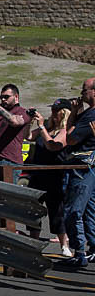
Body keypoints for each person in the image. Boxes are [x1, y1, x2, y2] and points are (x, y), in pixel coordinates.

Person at [58, 78, 95, 269]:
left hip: (83, 167)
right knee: (89, 210)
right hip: (89, 167)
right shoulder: (87, 113)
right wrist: (74, 112)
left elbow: (70, 139)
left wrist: (73, 118)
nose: (81, 94)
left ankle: (79, 252)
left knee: (73, 210)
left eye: (84, 90)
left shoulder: (91, 115)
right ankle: (92, 248)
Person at [28, 98, 71, 254]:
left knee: (57, 211)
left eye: (55, 110)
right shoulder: (46, 127)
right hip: (38, 174)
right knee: (33, 209)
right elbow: (28, 137)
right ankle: (34, 241)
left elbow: (52, 146)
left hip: (55, 175)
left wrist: (41, 127)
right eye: (52, 110)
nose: (52, 113)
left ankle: (64, 245)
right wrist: (30, 122)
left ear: (64, 113)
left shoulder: (66, 131)